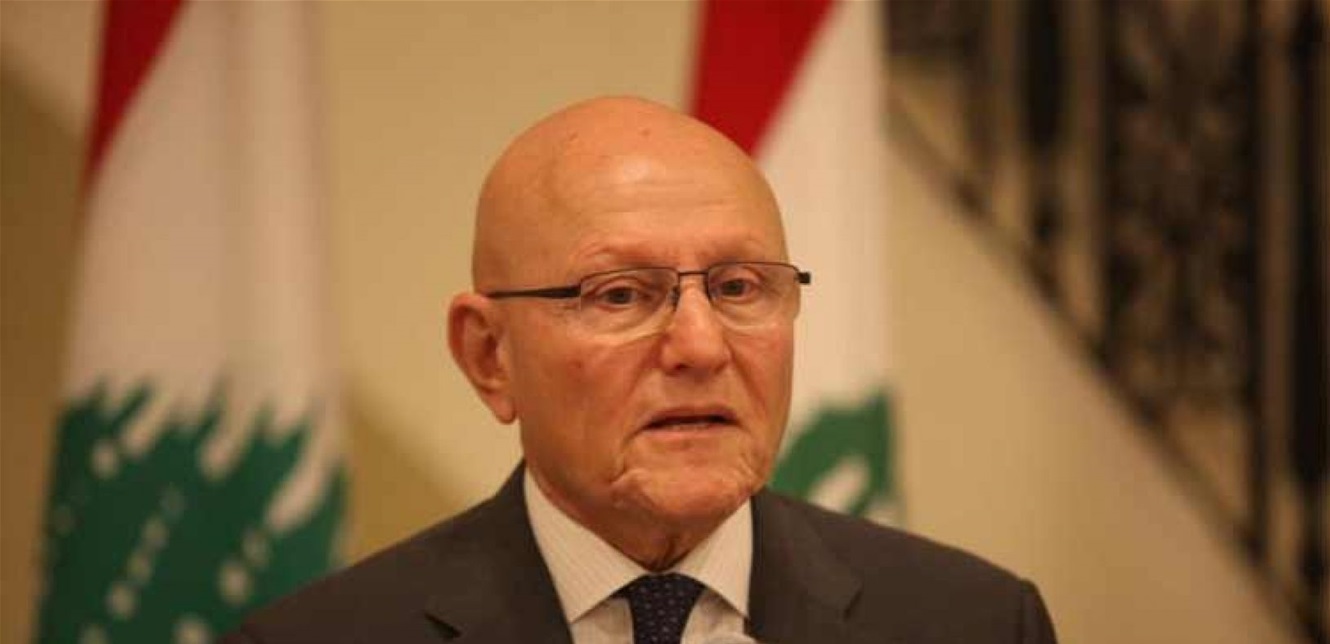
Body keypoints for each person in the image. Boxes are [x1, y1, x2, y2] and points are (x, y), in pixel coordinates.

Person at [223, 96, 1057, 644]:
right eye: (620, 294)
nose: (700, 346)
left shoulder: (976, 625)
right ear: (489, 356)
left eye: (739, 287)